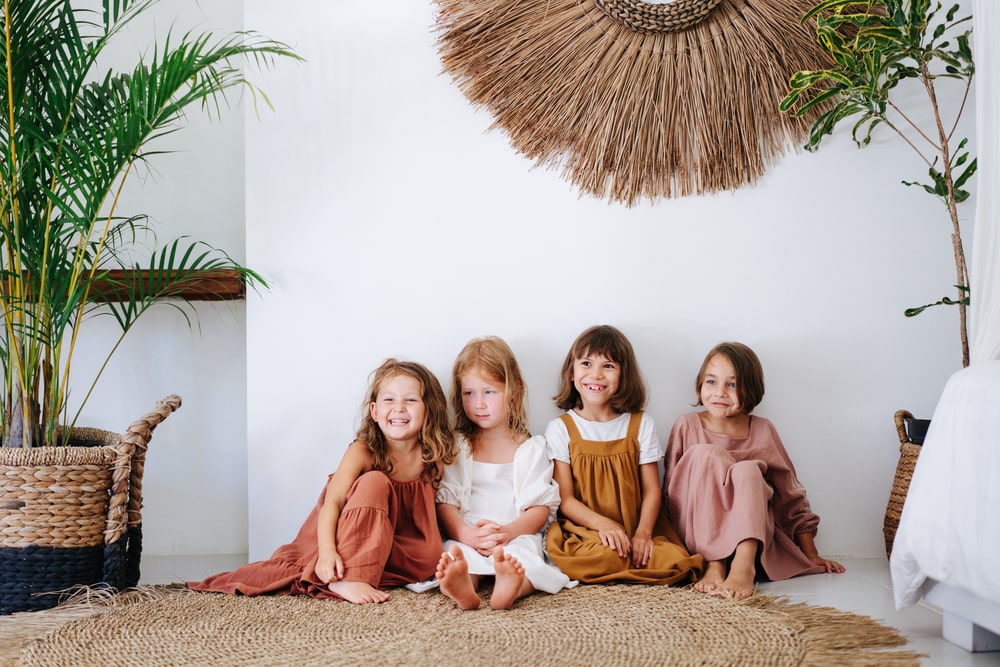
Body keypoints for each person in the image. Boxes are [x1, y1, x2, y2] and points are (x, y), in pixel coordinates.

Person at [188, 359, 456, 604]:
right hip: (347, 537)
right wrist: (327, 551)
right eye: (389, 399)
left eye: (410, 400)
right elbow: (333, 502)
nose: (398, 408)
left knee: (430, 559)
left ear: (428, 410)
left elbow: (446, 505)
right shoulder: (363, 451)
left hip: (398, 547)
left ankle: (367, 568)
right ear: (374, 411)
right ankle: (349, 576)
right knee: (375, 481)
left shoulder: (433, 456)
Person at [664, 342, 845, 600]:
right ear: (700, 385)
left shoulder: (762, 430)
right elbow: (672, 491)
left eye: (732, 384)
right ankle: (715, 564)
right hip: (697, 533)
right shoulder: (687, 425)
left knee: (748, 471)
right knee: (707, 455)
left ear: (751, 390)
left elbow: (788, 493)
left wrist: (811, 552)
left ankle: (743, 566)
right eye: (711, 382)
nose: (720, 393)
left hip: (749, 540)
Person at [544, 325, 704, 584]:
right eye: (586, 363)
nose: (595, 375)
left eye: (608, 366)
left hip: (636, 527)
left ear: (623, 375)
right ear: (572, 373)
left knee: (678, 561)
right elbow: (566, 499)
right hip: (588, 532)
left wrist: (642, 534)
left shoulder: (641, 424)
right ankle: (620, 560)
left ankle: (629, 555)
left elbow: (652, 490)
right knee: (601, 555)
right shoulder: (561, 428)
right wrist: (604, 525)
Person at [435, 336, 575, 610]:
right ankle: (463, 585)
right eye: (469, 394)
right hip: (470, 532)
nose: (479, 404)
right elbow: (446, 503)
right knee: (454, 554)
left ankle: (511, 587)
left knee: (526, 556)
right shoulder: (459, 446)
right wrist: (465, 535)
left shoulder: (530, 448)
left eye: (489, 392)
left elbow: (540, 508)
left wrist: (510, 532)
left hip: (514, 532)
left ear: (513, 391)